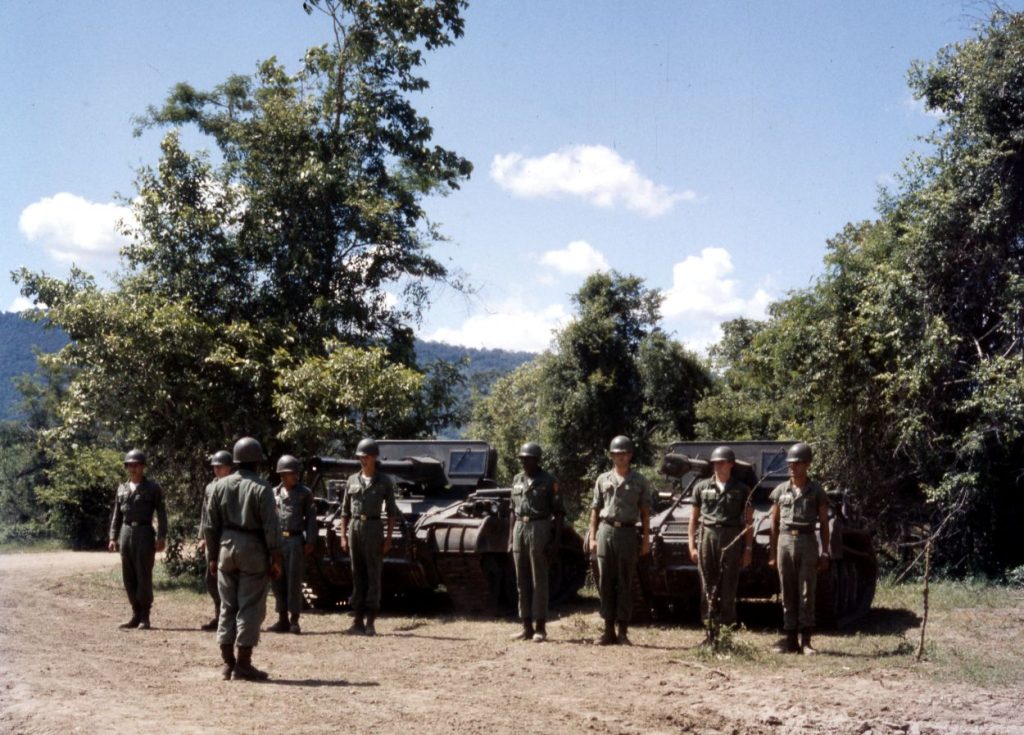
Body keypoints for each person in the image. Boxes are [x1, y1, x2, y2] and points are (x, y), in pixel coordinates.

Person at [204, 437, 282, 681]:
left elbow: (209, 526)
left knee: (227, 605)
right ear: (257, 460)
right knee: (250, 605)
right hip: (253, 551)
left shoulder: (218, 486)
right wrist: (275, 558)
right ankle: (244, 664)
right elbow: (271, 527)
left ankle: (228, 663)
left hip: (225, 548)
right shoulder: (262, 488)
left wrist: (212, 557)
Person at [587, 435, 651, 646]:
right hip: (606, 531)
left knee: (625, 581)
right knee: (605, 581)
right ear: (612, 456)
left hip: (628, 533)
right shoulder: (602, 479)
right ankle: (607, 631)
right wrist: (593, 536)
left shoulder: (639, 481)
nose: (620, 458)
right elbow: (595, 509)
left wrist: (645, 540)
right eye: (616, 454)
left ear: (630, 456)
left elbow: (645, 512)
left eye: (623, 454)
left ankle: (622, 631)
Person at [768, 442, 830, 654]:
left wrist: (825, 551)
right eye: (790, 464)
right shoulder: (780, 491)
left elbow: (823, 523)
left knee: (806, 591)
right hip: (785, 541)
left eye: (797, 463)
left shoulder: (817, 491)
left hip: (807, 541)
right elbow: (773, 523)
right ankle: (790, 639)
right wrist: (772, 552)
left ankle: (806, 641)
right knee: (787, 591)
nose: (793, 467)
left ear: (807, 464)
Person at [687, 445, 753, 629]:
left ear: (731, 464)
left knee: (729, 585)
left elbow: (749, 521)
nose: (717, 466)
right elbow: (693, 519)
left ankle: (727, 629)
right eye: (715, 463)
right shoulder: (701, 487)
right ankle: (709, 629)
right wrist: (691, 545)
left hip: (731, 536)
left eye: (722, 463)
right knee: (707, 584)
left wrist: (748, 549)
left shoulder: (742, 490)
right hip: (707, 535)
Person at [340, 438, 400, 636]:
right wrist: (343, 536)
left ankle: (370, 622)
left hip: (374, 527)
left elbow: (391, 513)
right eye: (360, 457)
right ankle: (357, 620)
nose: (362, 460)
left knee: (373, 574)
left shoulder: (384, 482)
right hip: (355, 527)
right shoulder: (351, 480)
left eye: (365, 457)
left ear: (374, 458)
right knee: (357, 574)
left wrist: (389, 538)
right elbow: (344, 511)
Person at [508, 442, 565, 643]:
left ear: (536, 459)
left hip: (539, 527)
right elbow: (512, 511)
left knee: (538, 579)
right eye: (522, 459)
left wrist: (556, 541)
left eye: (528, 459)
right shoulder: (517, 480)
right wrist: (510, 539)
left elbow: (559, 514)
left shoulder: (549, 481)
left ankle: (540, 627)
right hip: (519, 529)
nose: (524, 462)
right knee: (521, 580)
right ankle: (526, 626)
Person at [108, 449, 167, 630]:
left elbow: (162, 514)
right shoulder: (122, 489)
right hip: (126, 532)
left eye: (136, 465)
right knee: (128, 576)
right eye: (130, 465)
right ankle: (135, 613)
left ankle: (145, 616)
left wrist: (161, 536)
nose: (133, 468)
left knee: (144, 575)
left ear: (142, 467)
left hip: (144, 532)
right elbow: (117, 515)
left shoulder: (152, 488)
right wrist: (113, 536)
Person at [266, 455, 316, 635]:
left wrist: (310, 540)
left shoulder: (304, 493)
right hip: (278, 542)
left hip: (295, 541)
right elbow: (269, 520)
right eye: (291, 473)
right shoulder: (273, 493)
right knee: (277, 579)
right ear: (282, 475)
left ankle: (294, 619)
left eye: (296, 472)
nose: (295, 476)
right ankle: (282, 619)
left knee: (294, 580)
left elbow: (311, 519)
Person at [197, 450, 233, 631]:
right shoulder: (210, 487)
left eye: (221, 467)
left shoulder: (233, 486)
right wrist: (202, 536)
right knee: (211, 579)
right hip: (212, 537)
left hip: (228, 537)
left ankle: (228, 617)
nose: (217, 470)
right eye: (215, 467)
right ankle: (218, 614)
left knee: (227, 578)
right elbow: (205, 514)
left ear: (229, 468)